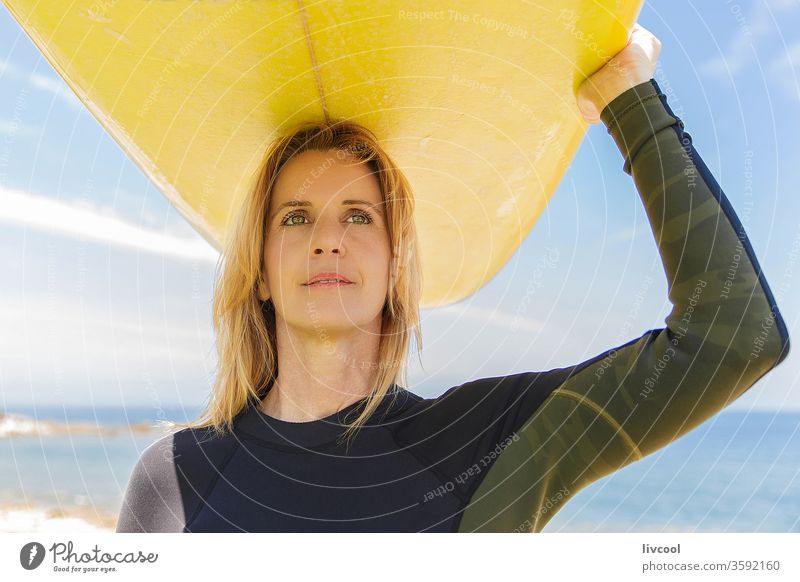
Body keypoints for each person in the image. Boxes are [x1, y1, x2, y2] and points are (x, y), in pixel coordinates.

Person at [115, 24, 790, 533]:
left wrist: (632, 100)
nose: (326, 239)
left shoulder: (480, 446)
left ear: (394, 267)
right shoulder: (174, 480)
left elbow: (734, 336)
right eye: (295, 218)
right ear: (259, 274)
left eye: (358, 216)